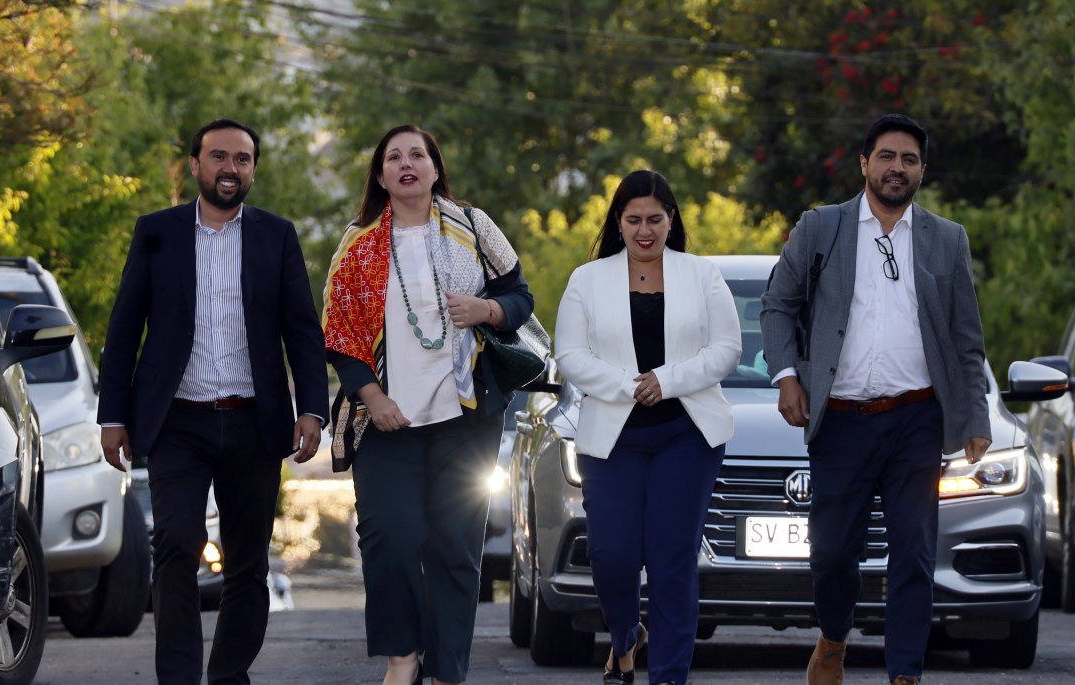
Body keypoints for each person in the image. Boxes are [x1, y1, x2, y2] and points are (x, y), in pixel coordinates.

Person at [760, 113, 991, 685]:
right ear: (865, 164)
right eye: (887, 156)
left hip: (916, 418)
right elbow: (777, 305)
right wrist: (788, 376)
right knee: (834, 555)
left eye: (909, 159)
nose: (898, 168)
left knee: (913, 551)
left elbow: (967, 339)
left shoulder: (947, 239)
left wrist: (976, 417)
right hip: (839, 419)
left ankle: (905, 674)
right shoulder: (822, 228)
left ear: (922, 171)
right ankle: (834, 637)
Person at [97, 118, 329, 685]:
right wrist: (113, 413)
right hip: (177, 419)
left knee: (247, 563)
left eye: (243, 159)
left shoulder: (277, 235)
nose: (231, 169)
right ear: (197, 165)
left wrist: (312, 409)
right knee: (176, 543)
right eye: (219, 157)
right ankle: (178, 678)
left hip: (255, 420)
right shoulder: (157, 231)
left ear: (253, 169)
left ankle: (227, 675)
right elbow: (125, 327)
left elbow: (302, 329)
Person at [321, 123, 536, 685]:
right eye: (394, 156)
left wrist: (486, 311)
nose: (407, 162)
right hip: (386, 423)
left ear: (436, 168)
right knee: (388, 537)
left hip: (466, 420)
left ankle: (445, 673)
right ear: (381, 174)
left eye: (418, 154)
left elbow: (519, 295)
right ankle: (403, 658)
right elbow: (339, 333)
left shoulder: (472, 225)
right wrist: (372, 395)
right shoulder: (358, 242)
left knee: (456, 551)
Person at [553, 169, 742, 685]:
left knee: (671, 560)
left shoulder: (702, 275)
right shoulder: (586, 280)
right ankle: (625, 636)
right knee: (612, 556)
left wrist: (667, 380)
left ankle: (669, 677)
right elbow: (569, 353)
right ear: (618, 222)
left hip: (686, 434)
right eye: (633, 219)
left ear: (670, 220)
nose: (644, 230)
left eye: (654, 219)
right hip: (612, 438)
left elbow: (728, 348)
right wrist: (630, 386)